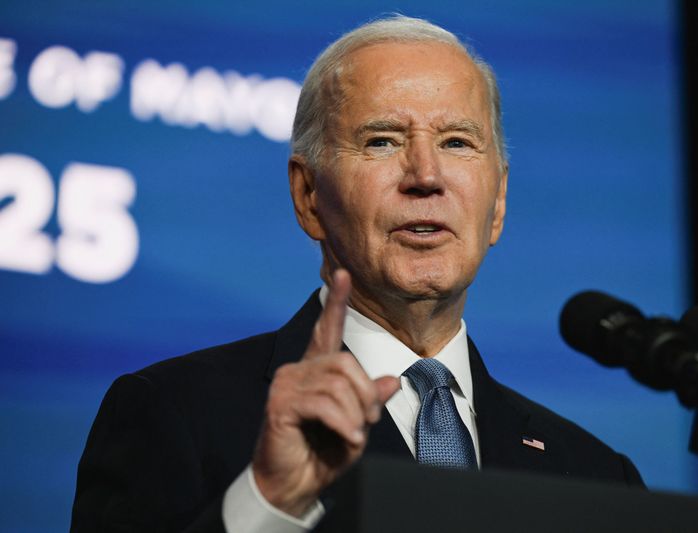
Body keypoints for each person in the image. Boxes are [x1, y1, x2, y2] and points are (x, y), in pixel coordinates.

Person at [71, 15, 643, 533]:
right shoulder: (173, 414)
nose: (425, 175)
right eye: (382, 141)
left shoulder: (593, 474)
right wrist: (269, 504)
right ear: (309, 195)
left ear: (497, 204)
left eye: (457, 142)